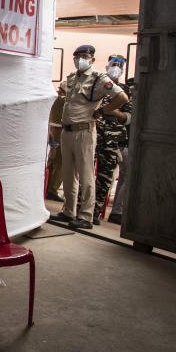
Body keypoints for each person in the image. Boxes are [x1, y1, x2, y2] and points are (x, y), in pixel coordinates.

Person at [49, 45, 129, 229]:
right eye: (77, 56)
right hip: (67, 131)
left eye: (84, 56)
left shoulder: (99, 79)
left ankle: (85, 216)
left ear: (92, 59)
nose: (80, 60)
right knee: (69, 174)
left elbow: (122, 98)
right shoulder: (71, 78)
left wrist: (103, 110)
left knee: (86, 175)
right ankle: (69, 211)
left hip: (84, 131)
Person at [93, 55, 134, 224]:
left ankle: (94, 212)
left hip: (113, 140)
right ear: (107, 65)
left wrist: (110, 110)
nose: (115, 67)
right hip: (93, 133)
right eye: (113, 64)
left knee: (105, 177)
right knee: (85, 174)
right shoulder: (97, 85)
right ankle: (81, 209)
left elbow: (128, 117)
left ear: (123, 69)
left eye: (119, 65)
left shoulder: (125, 90)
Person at [45, 86, 66, 202]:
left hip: (53, 131)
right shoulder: (63, 101)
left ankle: (47, 187)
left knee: (52, 161)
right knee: (60, 164)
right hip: (61, 133)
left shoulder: (54, 99)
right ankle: (52, 190)